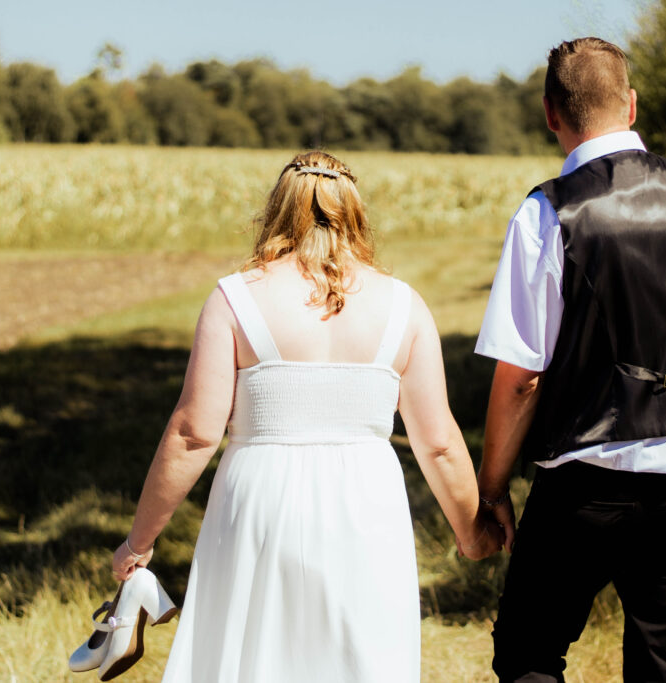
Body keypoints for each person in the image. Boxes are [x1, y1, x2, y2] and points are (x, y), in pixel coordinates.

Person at [107, 150, 503, 682]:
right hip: (366, 503)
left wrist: (140, 541)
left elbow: (193, 433)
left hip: (260, 503)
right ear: (355, 214)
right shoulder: (405, 307)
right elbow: (437, 443)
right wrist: (471, 530)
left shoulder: (235, 299)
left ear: (276, 211)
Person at [472, 38, 666, 682]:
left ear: (550, 112)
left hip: (580, 491)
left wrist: (493, 486)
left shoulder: (546, 212)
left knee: (529, 656)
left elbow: (523, 376)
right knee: (664, 671)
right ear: (633, 103)